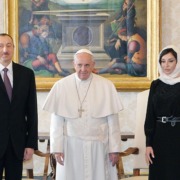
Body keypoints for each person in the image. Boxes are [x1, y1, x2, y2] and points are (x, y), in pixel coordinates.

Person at [43, 49, 123, 180]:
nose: (83, 69)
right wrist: (57, 148)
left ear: (93, 65)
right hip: (71, 146)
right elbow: (56, 121)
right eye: (79, 65)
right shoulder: (61, 86)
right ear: (74, 64)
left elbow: (113, 121)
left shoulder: (106, 86)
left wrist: (114, 149)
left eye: (87, 65)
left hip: (99, 145)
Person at [0, 33, 38, 179]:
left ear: (14, 48)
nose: (5, 50)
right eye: (1, 46)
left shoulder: (26, 74)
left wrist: (30, 144)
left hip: (17, 145)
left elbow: (32, 113)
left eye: (8, 45)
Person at [144, 45, 180, 180]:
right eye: (163, 61)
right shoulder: (156, 85)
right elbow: (150, 115)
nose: (166, 65)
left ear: (177, 62)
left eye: (171, 61)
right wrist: (148, 144)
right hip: (159, 138)